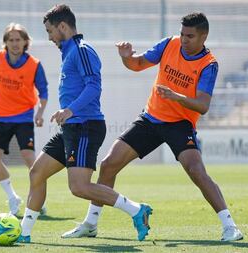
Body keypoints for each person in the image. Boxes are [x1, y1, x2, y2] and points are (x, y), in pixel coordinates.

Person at [62, 12, 244, 242]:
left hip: (180, 124)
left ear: (203, 36)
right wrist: (126, 57)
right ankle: (91, 223)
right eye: (182, 34)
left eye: (190, 36)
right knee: (108, 165)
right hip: (150, 119)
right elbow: (137, 64)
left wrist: (176, 96)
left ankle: (230, 226)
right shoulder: (169, 43)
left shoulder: (209, 64)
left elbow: (203, 105)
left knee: (196, 171)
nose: (184, 40)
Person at [17, 4, 152, 243]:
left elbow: (94, 86)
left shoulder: (82, 50)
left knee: (79, 187)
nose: (49, 37)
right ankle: (23, 234)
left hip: (85, 126)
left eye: (50, 31)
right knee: (37, 172)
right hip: (71, 127)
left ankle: (136, 210)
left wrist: (69, 110)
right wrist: (68, 114)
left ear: (63, 26)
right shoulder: (68, 51)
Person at [0, 23, 48, 216]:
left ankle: (38, 198)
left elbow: (44, 91)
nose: (14, 43)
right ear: (5, 42)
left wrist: (40, 113)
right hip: (0, 116)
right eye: (11, 40)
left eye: (18, 40)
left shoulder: (34, 64)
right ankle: (13, 198)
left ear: (25, 42)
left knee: (30, 159)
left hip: (23, 118)